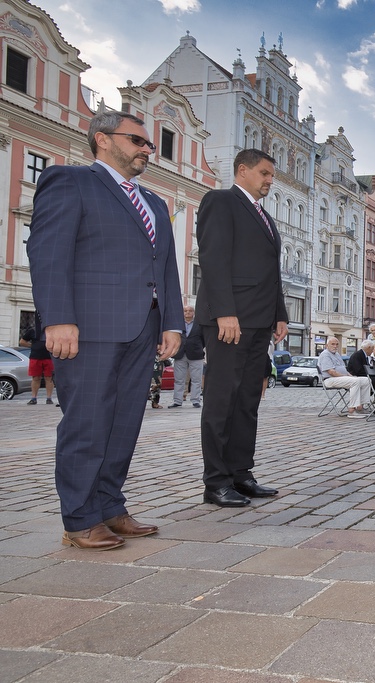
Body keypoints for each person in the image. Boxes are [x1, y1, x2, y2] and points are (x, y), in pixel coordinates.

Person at [27, 111, 183, 550]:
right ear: (102, 139)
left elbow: (166, 267)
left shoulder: (154, 202)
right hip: (90, 325)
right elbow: (48, 252)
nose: (147, 149)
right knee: (88, 422)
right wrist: (58, 318)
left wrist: (172, 321)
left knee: (124, 422)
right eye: (137, 141)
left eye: (149, 144)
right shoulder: (70, 181)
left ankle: (110, 506)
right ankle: (79, 518)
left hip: (143, 326)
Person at [195, 149, 288, 507]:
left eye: (271, 175)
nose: (269, 180)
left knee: (247, 402)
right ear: (242, 170)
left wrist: (279, 314)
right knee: (222, 401)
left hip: (259, 322)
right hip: (230, 321)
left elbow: (271, 272)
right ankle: (216, 482)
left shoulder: (265, 217)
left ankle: (240, 473)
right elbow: (213, 258)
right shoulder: (221, 201)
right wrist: (224, 312)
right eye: (264, 173)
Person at [318, 337, 371, 417]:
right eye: (333, 344)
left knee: (366, 380)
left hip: (341, 378)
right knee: (355, 381)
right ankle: (352, 410)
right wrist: (347, 377)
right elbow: (331, 372)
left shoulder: (337, 354)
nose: (335, 346)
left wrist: (352, 376)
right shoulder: (325, 355)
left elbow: (345, 370)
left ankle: (360, 407)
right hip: (330, 379)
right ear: (327, 345)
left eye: (337, 344)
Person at [170, 304, 205, 408]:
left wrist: (198, 347)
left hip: (196, 354)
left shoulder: (199, 324)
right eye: (185, 311)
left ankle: (195, 400)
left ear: (193, 312)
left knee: (196, 379)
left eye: (190, 311)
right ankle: (177, 401)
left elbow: (204, 339)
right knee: (179, 379)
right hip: (180, 354)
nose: (188, 312)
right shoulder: (178, 324)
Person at [19, 318, 55, 405]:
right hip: (35, 357)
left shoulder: (51, 331)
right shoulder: (32, 331)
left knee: (49, 378)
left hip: (49, 357)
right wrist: (32, 346)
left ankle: (49, 398)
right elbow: (22, 342)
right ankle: (33, 398)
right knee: (35, 378)